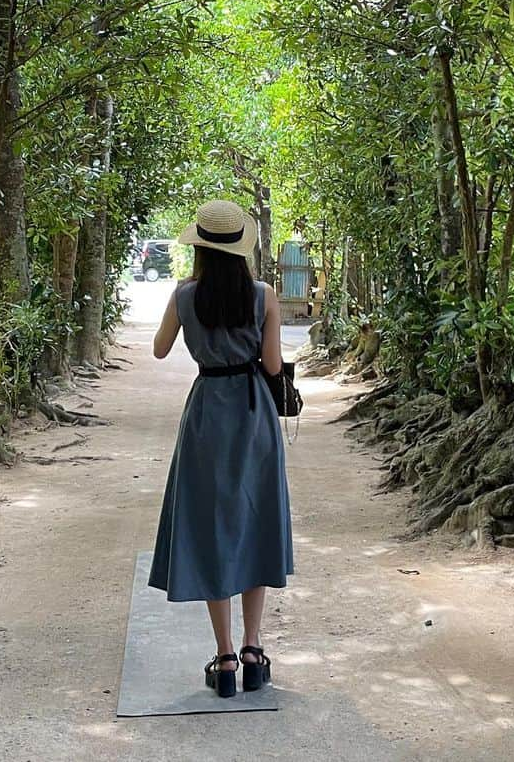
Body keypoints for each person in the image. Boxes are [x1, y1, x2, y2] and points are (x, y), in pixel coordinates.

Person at [147, 198, 294, 699]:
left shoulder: (185, 295)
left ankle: (226, 656)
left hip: (207, 412)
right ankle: (255, 650)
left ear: (200, 249)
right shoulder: (264, 295)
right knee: (254, 525)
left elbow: (160, 348)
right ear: (241, 249)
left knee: (211, 529)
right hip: (253, 414)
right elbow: (273, 367)